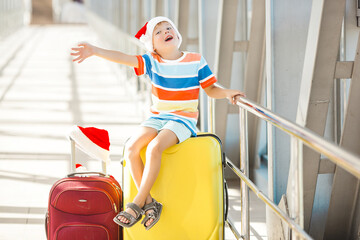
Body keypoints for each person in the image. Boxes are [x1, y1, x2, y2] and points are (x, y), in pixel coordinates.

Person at [71, 16, 245, 230]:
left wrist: (228, 93)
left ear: (177, 35)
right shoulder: (152, 61)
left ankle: (136, 203)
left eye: (168, 28)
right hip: (157, 117)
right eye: (158, 32)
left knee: (154, 148)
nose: (165, 32)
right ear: (152, 45)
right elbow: (123, 57)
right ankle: (151, 203)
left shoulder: (195, 59)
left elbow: (210, 89)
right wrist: (95, 50)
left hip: (183, 118)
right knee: (132, 148)